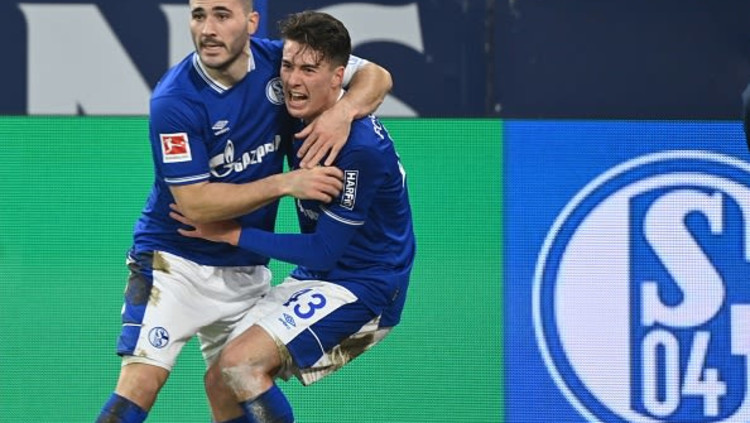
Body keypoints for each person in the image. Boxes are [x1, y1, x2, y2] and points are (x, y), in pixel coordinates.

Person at [94, 1, 392, 422]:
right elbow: (194, 203)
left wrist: (341, 114)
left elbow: (376, 75)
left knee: (227, 382)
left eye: (222, 15)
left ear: (251, 23)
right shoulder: (174, 100)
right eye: (198, 15)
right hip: (176, 261)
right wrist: (285, 183)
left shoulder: (280, 61)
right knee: (141, 381)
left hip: (246, 269)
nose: (208, 29)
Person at [170, 10, 415, 422]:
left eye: (309, 70)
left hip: (367, 287)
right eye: (288, 66)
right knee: (219, 379)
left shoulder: (359, 150)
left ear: (338, 77)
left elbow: (323, 250)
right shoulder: (296, 109)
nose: (293, 80)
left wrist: (231, 234)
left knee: (241, 366)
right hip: (319, 276)